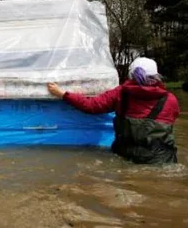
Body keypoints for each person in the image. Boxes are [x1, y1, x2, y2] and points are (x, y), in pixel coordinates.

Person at [47, 57, 179, 164]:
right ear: (156, 76)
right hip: (163, 160)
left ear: (131, 74)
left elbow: (91, 105)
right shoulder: (170, 99)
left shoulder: (121, 93)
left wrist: (62, 94)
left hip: (128, 158)